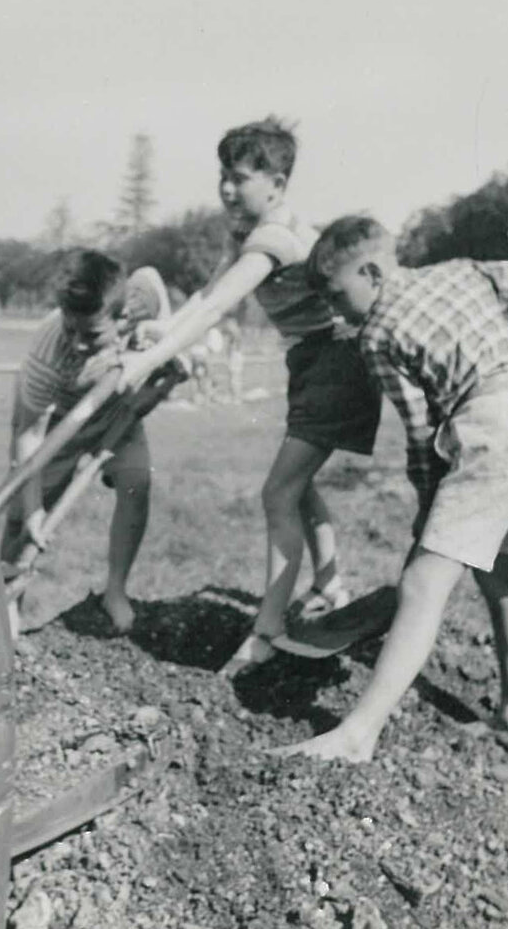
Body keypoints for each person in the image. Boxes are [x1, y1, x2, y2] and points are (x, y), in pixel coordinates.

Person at [274, 215, 508, 761]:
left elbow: (420, 436)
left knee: (421, 583)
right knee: (499, 574)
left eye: (339, 297)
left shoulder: (379, 334)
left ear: (371, 271)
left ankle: (358, 735)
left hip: (491, 430)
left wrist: (426, 521)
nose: (338, 312)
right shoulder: (464, 273)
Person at [117, 117, 382, 672]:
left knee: (278, 493)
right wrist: (164, 333)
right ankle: (330, 585)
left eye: (239, 178)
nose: (226, 190)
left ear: (278, 186)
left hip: (336, 360)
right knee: (298, 485)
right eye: (222, 177)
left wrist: (149, 360)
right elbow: (210, 294)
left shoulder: (274, 238)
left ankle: (267, 631)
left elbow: (218, 309)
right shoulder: (245, 235)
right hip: (310, 361)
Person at [2, 248, 171, 633]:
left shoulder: (139, 298)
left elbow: (166, 312)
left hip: (114, 407)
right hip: (59, 422)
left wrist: (162, 343)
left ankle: (115, 591)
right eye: (70, 329)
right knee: (23, 518)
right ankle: (7, 608)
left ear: (122, 315)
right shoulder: (46, 353)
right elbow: (28, 438)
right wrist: (32, 510)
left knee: (136, 484)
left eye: (90, 334)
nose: (77, 343)